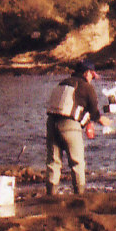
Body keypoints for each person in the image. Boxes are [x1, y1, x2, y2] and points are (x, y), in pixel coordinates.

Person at [45, 61, 105, 196]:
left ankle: (50, 196)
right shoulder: (86, 87)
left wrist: (87, 122)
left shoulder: (63, 83)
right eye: (92, 76)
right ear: (87, 73)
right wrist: (103, 120)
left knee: (53, 162)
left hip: (51, 123)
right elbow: (94, 112)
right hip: (69, 126)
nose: (92, 79)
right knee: (77, 163)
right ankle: (80, 196)